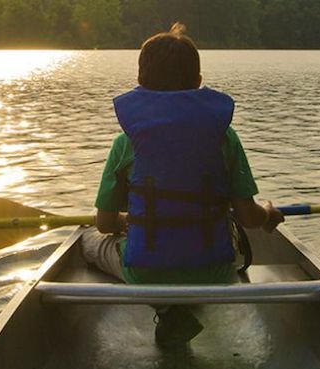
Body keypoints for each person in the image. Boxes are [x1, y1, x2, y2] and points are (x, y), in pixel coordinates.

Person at [81, 23, 285, 348]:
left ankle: (165, 306)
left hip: (146, 273)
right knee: (222, 236)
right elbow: (247, 216)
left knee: (88, 241)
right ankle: (186, 302)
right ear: (198, 83)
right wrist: (268, 213)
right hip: (213, 272)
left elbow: (104, 223)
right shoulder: (224, 137)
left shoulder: (127, 142)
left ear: (140, 84)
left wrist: (126, 222)